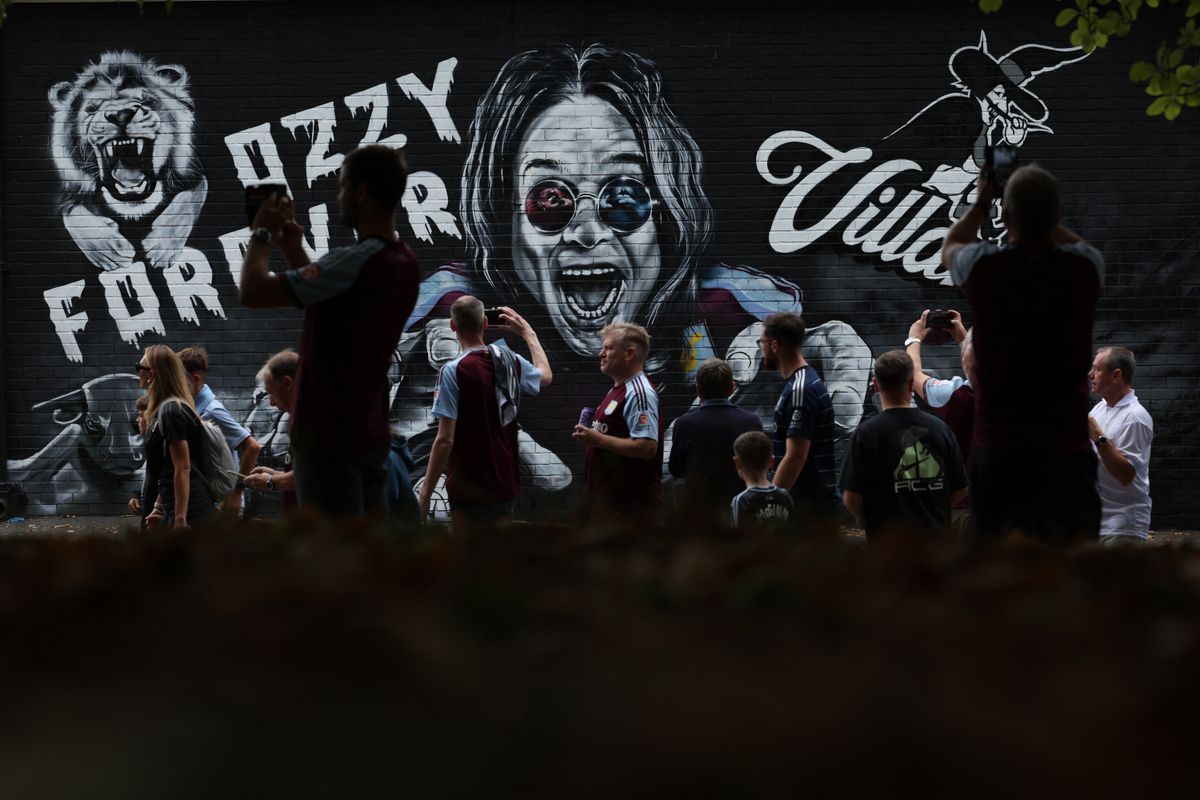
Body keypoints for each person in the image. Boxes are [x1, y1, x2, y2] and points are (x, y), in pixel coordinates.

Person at [391, 43, 871, 508]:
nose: (585, 231)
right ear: (505, 220)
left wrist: (803, 397)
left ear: (666, 216)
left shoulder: (730, 312)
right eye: (548, 199)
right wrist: (403, 445)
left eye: (624, 196)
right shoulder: (442, 322)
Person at [239, 144, 420, 518]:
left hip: (327, 436)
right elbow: (330, 304)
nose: (338, 197)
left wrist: (261, 231)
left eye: (341, 187)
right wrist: (293, 250)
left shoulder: (355, 260)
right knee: (362, 546)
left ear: (362, 192)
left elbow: (252, 291)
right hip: (367, 429)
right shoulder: (404, 262)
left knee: (333, 553)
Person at [943, 164, 1104, 545]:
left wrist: (984, 201)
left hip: (999, 449)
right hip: (1066, 449)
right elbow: (1076, 243)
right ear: (1059, 215)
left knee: (997, 576)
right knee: (1072, 567)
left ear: (1005, 214)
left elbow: (950, 245)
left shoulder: (984, 267)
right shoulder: (1085, 267)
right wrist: (1044, 217)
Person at [418, 296, 553, 531]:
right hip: (506, 481)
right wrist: (528, 333)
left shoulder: (453, 371)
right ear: (485, 324)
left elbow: (444, 440)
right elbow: (545, 377)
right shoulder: (509, 360)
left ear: (452, 325)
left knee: (472, 558)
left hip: (469, 486)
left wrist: (426, 493)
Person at [839, 351, 968, 542]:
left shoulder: (865, 434)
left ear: (875, 385)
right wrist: (935, 509)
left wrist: (869, 521)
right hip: (935, 545)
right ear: (911, 385)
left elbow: (850, 498)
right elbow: (960, 489)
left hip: (887, 547)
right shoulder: (940, 429)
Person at [572, 323, 664, 525]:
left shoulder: (640, 393)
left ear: (629, 353)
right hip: (611, 510)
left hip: (630, 513)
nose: (601, 354)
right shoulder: (617, 389)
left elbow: (647, 447)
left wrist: (598, 439)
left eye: (608, 348)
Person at [760, 312, 841, 538]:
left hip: (811, 511)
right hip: (810, 508)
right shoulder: (801, 384)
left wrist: (771, 501)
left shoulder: (801, 390)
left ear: (775, 345)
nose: (761, 349)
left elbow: (796, 456)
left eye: (762, 343)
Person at [668, 358, 764, 524]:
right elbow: (759, 468)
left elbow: (676, 469)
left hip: (700, 512)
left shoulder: (684, 424)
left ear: (698, 390)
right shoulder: (751, 422)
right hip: (740, 510)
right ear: (731, 387)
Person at [177, 346, 262, 514]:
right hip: (208, 503)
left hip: (223, 507)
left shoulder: (212, 411)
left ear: (195, 379)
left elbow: (252, 447)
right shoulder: (194, 409)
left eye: (178, 380)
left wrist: (236, 493)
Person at [139, 345, 214, 530]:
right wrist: (158, 507)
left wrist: (180, 519)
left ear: (152, 374)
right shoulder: (164, 410)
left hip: (190, 510)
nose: (138, 373)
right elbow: (168, 467)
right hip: (173, 504)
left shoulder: (171, 411)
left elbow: (183, 467)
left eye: (140, 368)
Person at [1087, 346, 1154, 546]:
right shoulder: (1100, 408)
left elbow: (1126, 475)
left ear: (1116, 375)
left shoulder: (1135, 418)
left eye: (1097, 369)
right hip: (1098, 521)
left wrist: (1098, 437)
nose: (1090, 375)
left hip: (1124, 527)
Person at [243, 350, 299, 513]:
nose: (272, 402)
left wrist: (272, 481)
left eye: (271, 393)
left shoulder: (311, 420)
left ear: (288, 383)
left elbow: (316, 475)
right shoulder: (300, 418)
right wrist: (275, 474)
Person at [730, 431, 795, 533]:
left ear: (737, 463)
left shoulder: (742, 500)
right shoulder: (785, 496)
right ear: (771, 461)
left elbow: (737, 541)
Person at [128, 393, 150, 526]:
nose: (137, 420)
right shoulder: (150, 445)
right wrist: (138, 496)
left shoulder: (163, 449)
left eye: (141, 415)